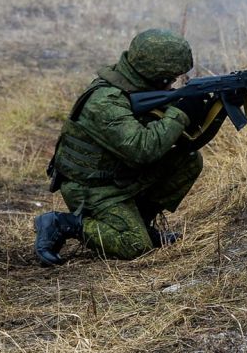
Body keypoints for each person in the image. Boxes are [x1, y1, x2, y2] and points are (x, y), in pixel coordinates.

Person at [34, 28, 223, 266]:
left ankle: (140, 224)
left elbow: (186, 141)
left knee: (188, 160)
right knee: (135, 246)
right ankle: (63, 224)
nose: (175, 82)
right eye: (172, 77)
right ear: (156, 74)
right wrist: (180, 113)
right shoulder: (106, 101)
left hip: (119, 176)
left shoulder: (137, 88)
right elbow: (142, 149)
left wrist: (219, 107)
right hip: (92, 188)